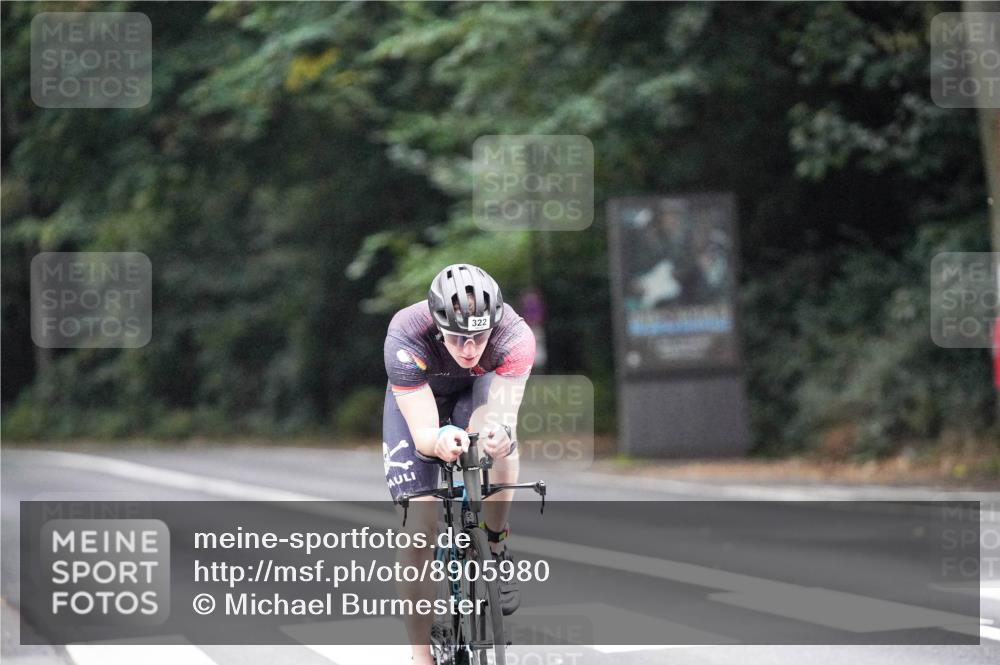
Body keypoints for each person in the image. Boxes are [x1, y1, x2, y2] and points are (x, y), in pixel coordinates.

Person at [382, 263, 535, 665]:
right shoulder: (406, 334)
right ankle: (420, 656)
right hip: (422, 395)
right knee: (419, 530)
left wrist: (495, 434)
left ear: (495, 323)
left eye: (479, 337)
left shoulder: (516, 337)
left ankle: (497, 546)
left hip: (479, 391)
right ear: (436, 325)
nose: (469, 349)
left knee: (502, 444)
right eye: (456, 337)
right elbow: (423, 436)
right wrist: (438, 440)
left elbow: (500, 414)